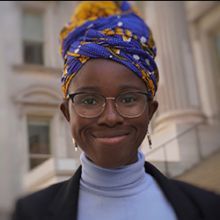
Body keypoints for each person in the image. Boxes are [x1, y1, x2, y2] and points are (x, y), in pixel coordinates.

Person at [12, 1, 220, 220]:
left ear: (151, 111)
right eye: (90, 100)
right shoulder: (31, 213)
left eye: (128, 98)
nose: (110, 117)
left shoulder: (208, 208)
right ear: (67, 113)